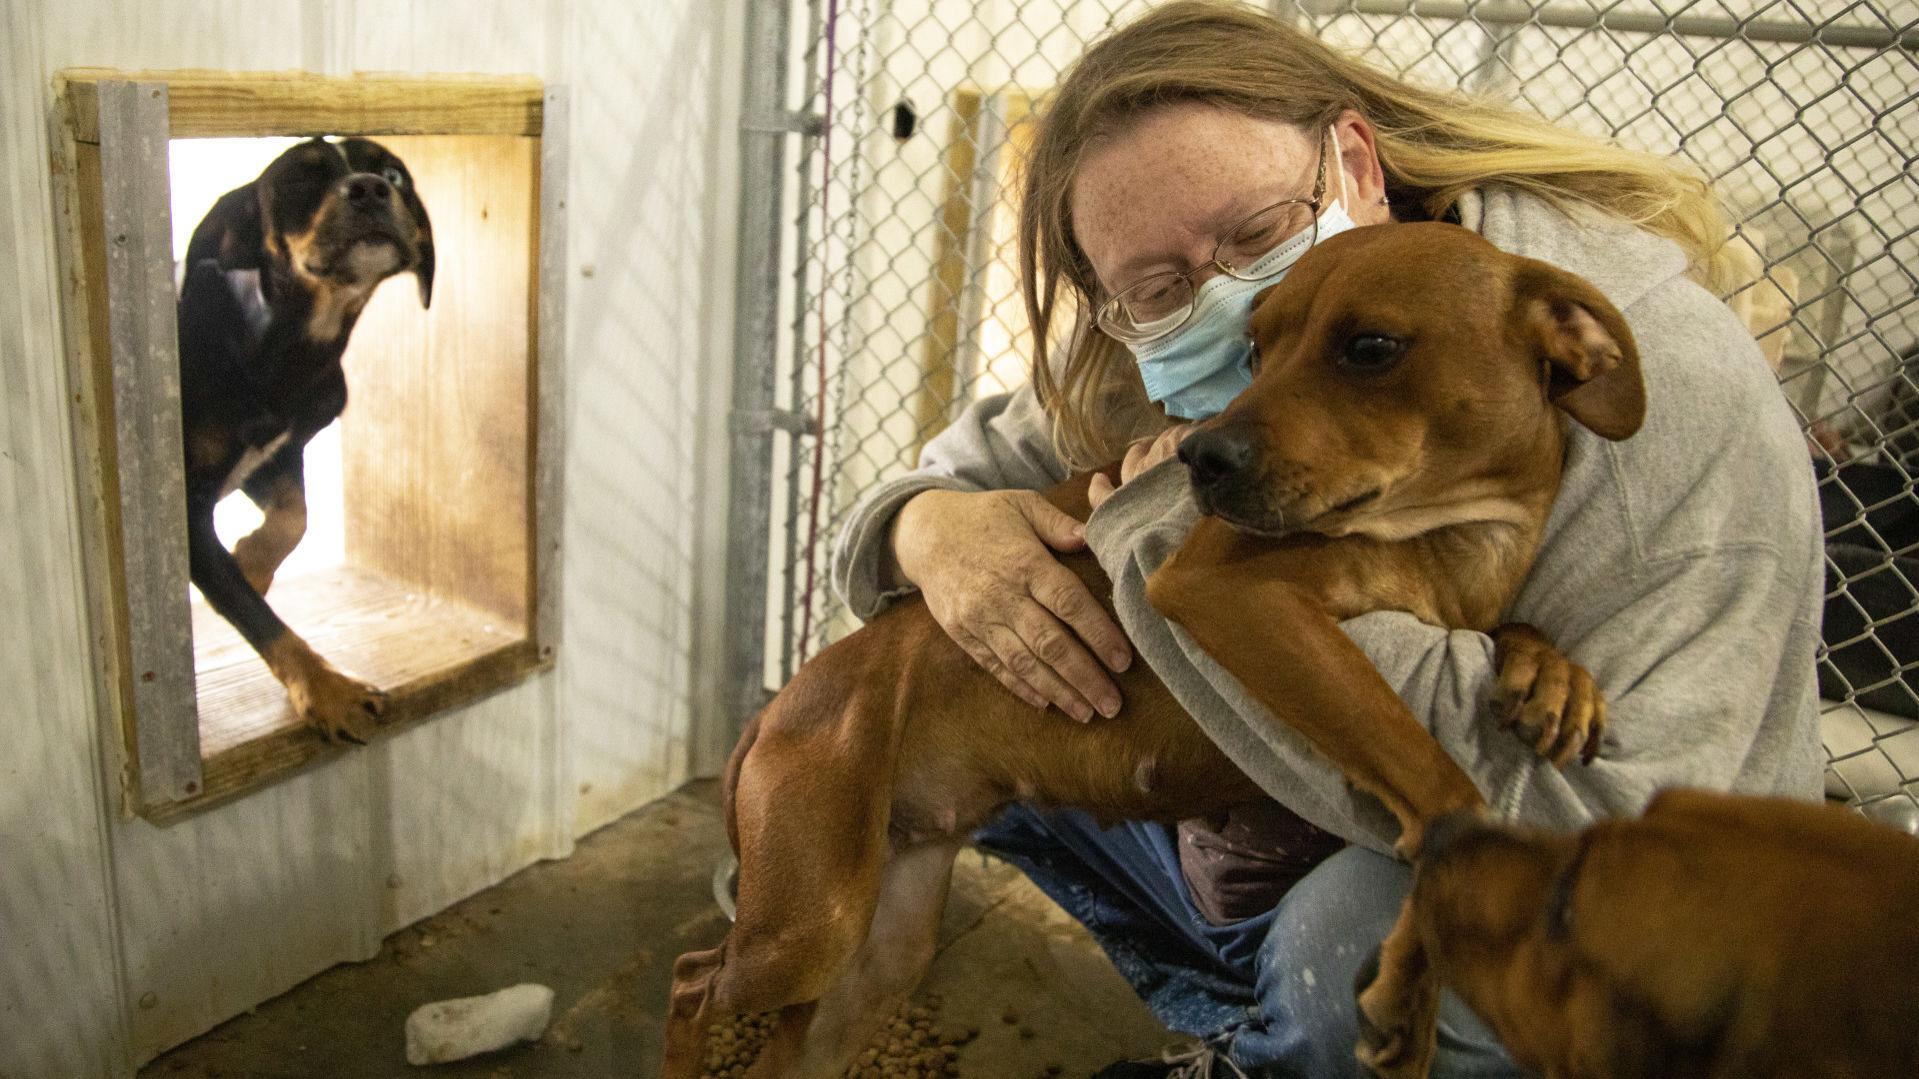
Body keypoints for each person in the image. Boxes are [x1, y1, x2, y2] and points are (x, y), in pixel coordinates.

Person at [830, 3, 1824, 1075]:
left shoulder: (1631, 381)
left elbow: (1597, 824)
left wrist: (1165, 535)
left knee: (1344, 950)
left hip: (1627, 899)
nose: (1217, 299)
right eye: (1157, 288)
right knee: (962, 671)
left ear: (1353, 159)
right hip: (1348, 808)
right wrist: (930, 530)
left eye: (1255, 234)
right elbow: (940, 477)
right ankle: (1246, 1015)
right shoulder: (1188, 329)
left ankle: (1289, 1037)